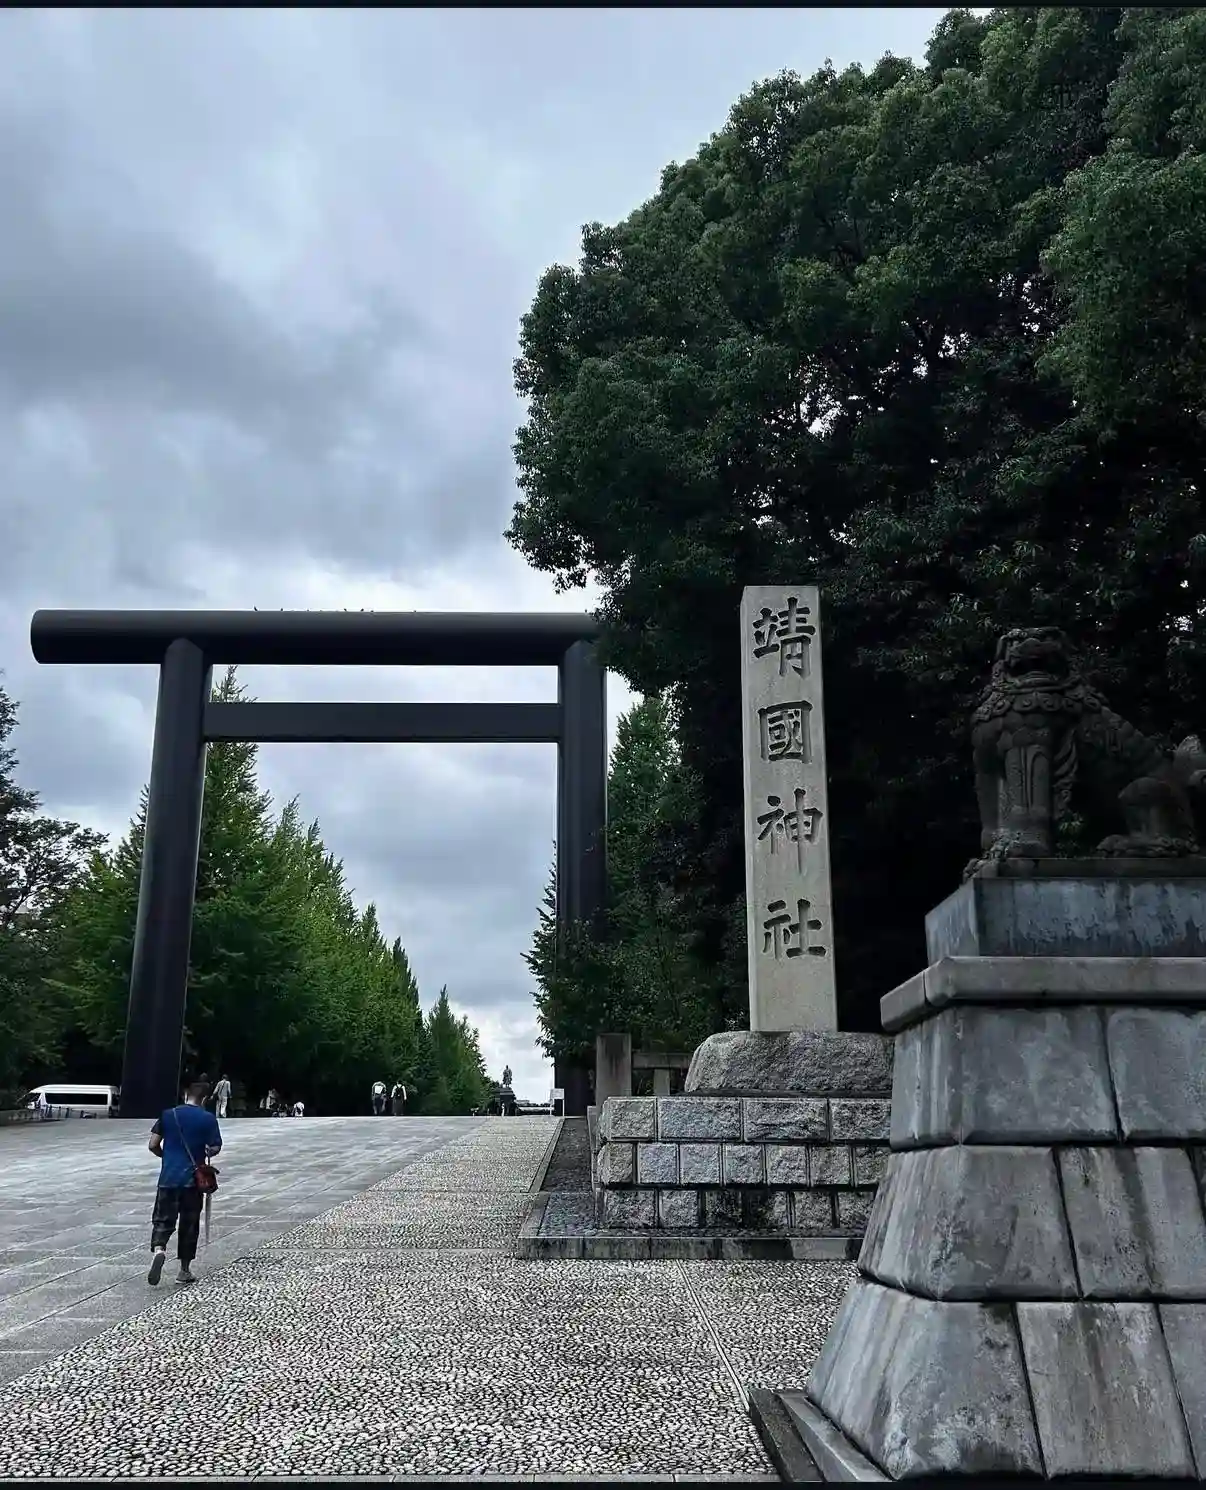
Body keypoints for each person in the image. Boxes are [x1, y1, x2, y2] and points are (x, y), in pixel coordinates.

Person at [146, 1077, 222, 1288]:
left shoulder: (168, 1114)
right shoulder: (207, 1118)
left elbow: (152, 1144)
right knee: (189, 1225)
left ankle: (159, 1249)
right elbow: (215, 1147)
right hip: (192, 1181)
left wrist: (166, 1156)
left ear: (186, 1095)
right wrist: (206, 1151)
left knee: (162, 1220)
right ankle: (184, 1271)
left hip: (168, 1178)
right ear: (204, 1099)